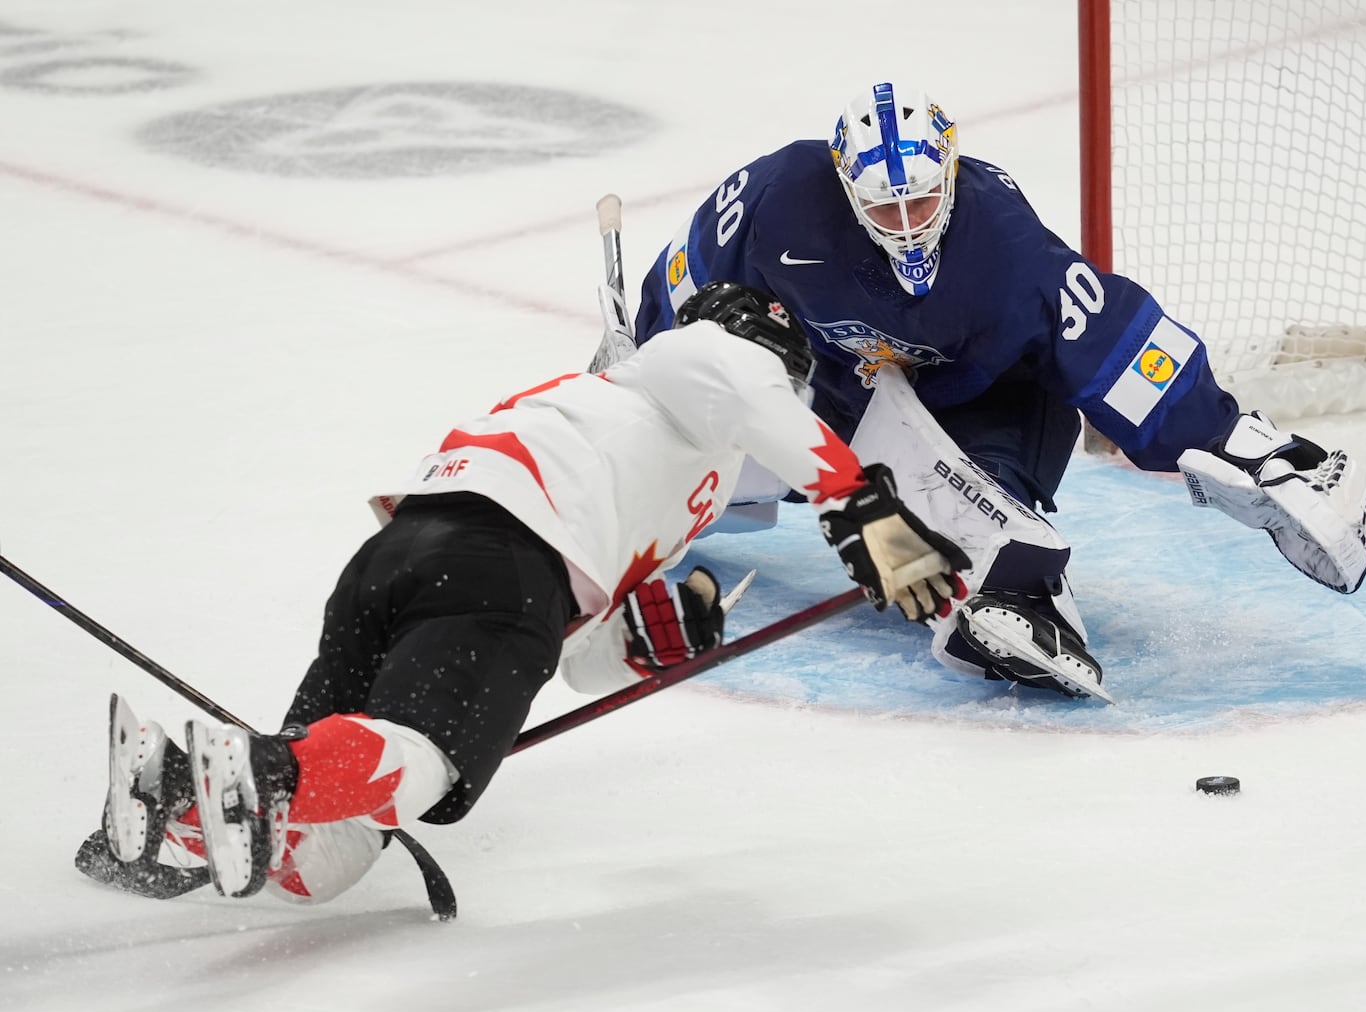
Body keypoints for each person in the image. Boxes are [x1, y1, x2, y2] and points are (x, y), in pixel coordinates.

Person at [84, 282, 969, 906]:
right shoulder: (705, 364)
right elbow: (744, 385)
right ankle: (266, 777)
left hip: (401, 559)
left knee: (332, 855)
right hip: (499, 567)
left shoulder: (627, 430)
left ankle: (175, 793)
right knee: (421, 764)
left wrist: (650, 637)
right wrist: (859, 506)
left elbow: (570, 652)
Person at [626, 81, 1366, 701]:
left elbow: (1111, 335)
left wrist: (1225, 438)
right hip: (824, 390)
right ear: (845, 187)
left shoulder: (1004, 242)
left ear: (949, 173)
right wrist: (658, 346)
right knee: (674, 462)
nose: (907, 225)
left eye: (920, 202)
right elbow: (692, 271)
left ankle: (1013, 589)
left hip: (978, 403)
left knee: (968, 487)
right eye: (886, 208)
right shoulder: (779, 196)